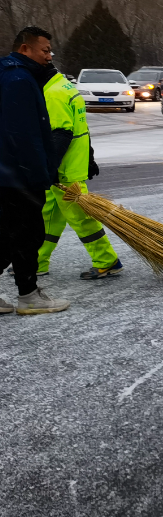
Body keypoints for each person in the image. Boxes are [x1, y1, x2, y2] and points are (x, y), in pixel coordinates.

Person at [0, 26, 70, 315]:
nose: (49, 56)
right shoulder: (19, 80)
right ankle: (29, 296)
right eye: (44, 50)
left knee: (12, 235)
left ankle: (28, 293)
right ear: (24, 49)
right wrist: (39, 173)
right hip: (17, 175)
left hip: (10, 172)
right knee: (23, 236)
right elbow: (24, 134)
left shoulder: (16, 75)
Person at [36, 61, 121, 279]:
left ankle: (107, 261)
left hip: (63, 171)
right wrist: (89, 158)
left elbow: (61, 134)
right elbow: (80, 127)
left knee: (81, 219)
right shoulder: (65, 86)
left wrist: (49, 167)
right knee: (48, 217)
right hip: (68, 166)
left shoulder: (52, 94)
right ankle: (37, 262)